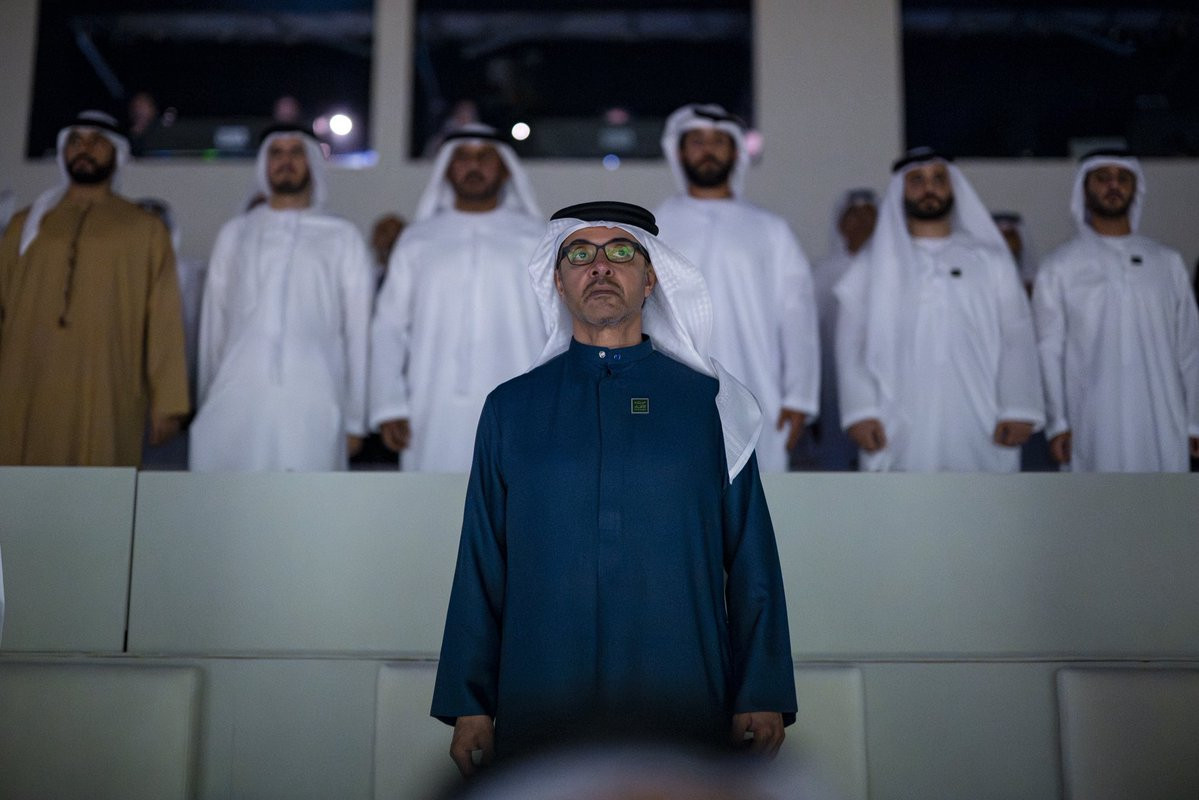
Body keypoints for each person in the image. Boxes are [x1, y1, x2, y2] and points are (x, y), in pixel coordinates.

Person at [430, 201, 796, 773]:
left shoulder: (711, 404)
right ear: (558, 281)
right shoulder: (511, 408)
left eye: (621, 251)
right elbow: (481, 561)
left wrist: (761, 689)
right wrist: (469, 703)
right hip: (542, 689)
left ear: (651, 278)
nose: (600, 267)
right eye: (579, 254)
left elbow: (752, 558)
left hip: (682, 689)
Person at [834, 147, 1044, 472]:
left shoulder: (991, 260)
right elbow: (851, 341)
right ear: (900, 191)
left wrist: (1019, 406)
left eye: (938, 179)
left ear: (953, 188)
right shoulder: (873, 264)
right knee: (901, 497)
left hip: (982, 417)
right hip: (894, 422)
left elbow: (1016, 334)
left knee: (982, 497)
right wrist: (860, 411)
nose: (929, 188)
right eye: (917, 180)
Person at [0, 110, 189, 465]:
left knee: (99, 479)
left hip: (105, 383)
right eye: (76, 141)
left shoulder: (145, 230)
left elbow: (164, 321)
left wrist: (168, 402)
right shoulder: (25, 225)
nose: (84, 149)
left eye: (97, 142)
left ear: (117, 153)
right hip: (25, 378)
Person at [189, 125, 372, 471]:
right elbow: (214, 324)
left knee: (307, 499)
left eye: (296, 152)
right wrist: (206, 397)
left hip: (316, 397)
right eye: (276, 153)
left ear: (312, 162)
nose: (285, 161)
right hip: (237, 396)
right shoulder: (235, 233)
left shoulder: (342, 236)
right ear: (264, 164)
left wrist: (355, 418)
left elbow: (358, 333)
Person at [654, 104, 819, 473]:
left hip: (757, 388)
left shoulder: (771, 230)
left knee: (759, 491)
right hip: (672, 390)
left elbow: (797, 316)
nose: (708, 150)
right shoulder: (656, 225)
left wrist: (799, 397)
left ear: (736, 152)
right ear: (679, 151)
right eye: (697, 141)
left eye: (719, 142)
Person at [370, 124, 546, 472]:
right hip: (430, 406)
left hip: (522, 406)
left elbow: (559, 329)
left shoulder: (538, 237)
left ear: (506, 169)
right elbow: (388, 327)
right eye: (463, 158)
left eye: (485, 158)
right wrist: (388, 404)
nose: (473, 166)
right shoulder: (418, 239)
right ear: (447, 168)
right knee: (431, 501)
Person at [1032, 150, 1199, 472]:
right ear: (1084, 189)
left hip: (1163, 419)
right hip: (1091, 422)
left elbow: (1190, 348)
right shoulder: (1060, 265)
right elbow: (1049, 350)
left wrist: (1195, 421)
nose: (1114, 185)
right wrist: (1058, 423)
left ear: (1136, 189)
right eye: (1102, 178)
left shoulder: (1167, 261)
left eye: (1123, 178)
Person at [799, 188, 878, 471]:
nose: (861, 222)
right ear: (841, 223)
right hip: (829, 384)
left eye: (869, 215)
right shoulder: (821, 274)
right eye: (853, 215)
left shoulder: (890, 272)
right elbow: (805, 337)